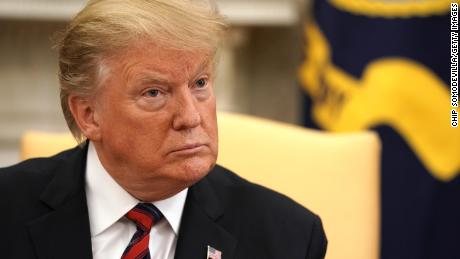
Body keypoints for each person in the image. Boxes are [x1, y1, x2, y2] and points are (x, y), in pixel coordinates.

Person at [0, 0, 327, 258]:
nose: (190, 117)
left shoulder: (288, 238)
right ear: (89, 115)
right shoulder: (8, 212)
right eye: (154, 92)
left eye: (200, 84)